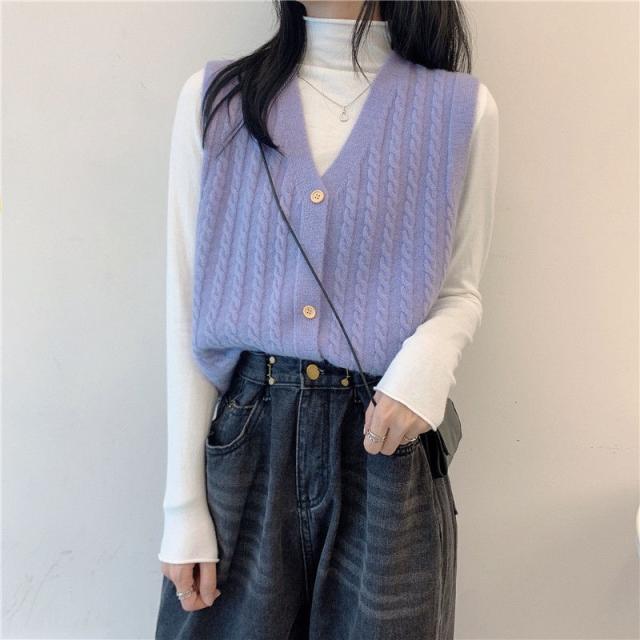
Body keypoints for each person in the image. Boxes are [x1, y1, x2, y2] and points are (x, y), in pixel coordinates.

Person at [155, 1, 499, 638]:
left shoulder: (460, 110)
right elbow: (188, 306)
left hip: (385, 444)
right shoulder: (218, 100)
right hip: (248, 441)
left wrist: (427, 362)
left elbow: (460, 290)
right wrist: (183, 507)